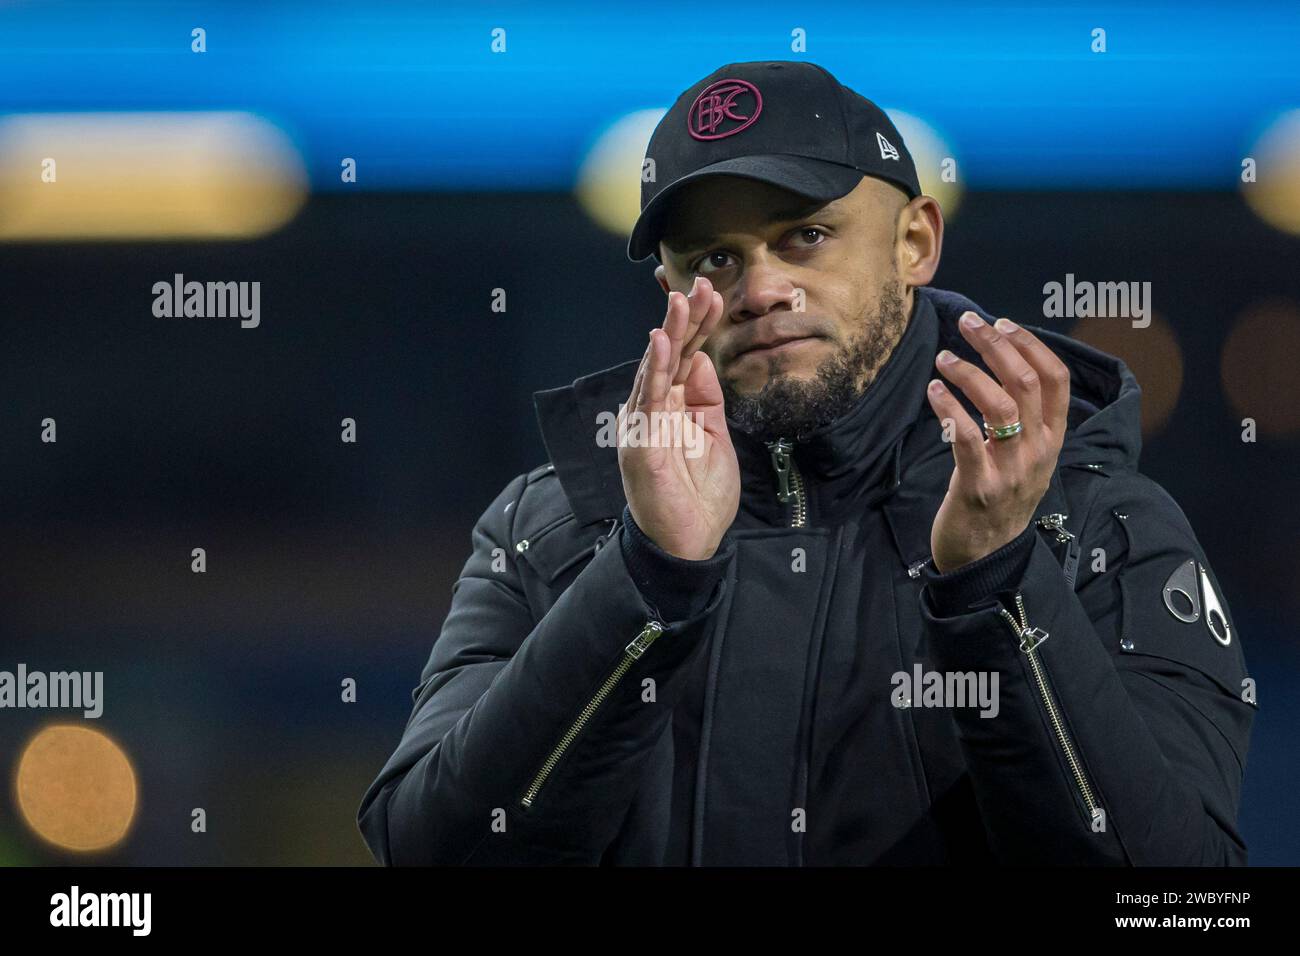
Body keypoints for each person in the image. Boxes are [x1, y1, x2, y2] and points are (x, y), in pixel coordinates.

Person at [357, 60, 1254, 865]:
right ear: (670, 291)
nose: (761, 289)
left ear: (915, 244)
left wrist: (997, 585)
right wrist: (648, 577)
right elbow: (434, 852)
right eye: (714, 258)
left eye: (806, 236)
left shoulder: (1090, 520)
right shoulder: (554, 527)